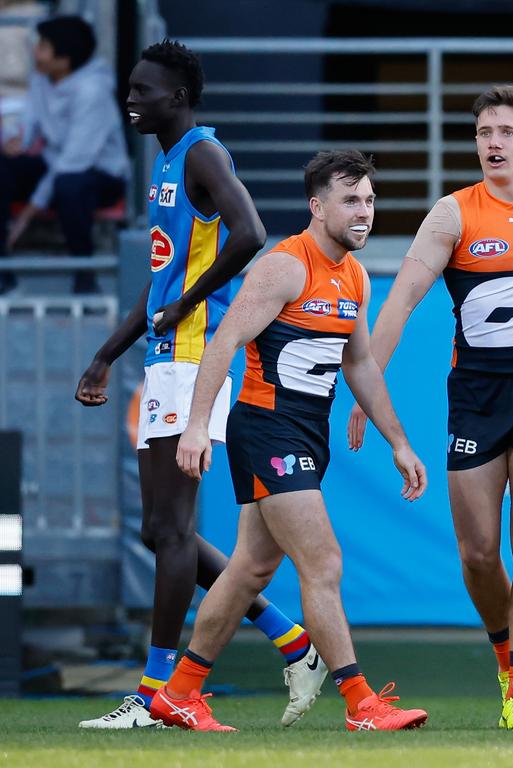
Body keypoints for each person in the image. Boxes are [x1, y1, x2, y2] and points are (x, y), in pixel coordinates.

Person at [75, 40, 326, 730]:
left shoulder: (201, 153)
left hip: (195, 358)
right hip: (167, 355)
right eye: (130, 87)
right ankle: (291, 639)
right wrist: (105, 355)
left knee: (173, 528)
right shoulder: (165, 161)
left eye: (143, 89)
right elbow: (162, 284)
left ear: (178, 96)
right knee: (163, 530)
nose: (132, 99)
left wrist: (191, 301)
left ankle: (158, 694)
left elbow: (252, 232)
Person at [160, 149, 429, 733]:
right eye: (350, 200)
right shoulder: (285, 266)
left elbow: (359, 364)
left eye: (370, 200)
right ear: (316, 206)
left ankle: (179, 693)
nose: (365, 212)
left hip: (305, 433)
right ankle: (362, 704)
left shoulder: (354, 274)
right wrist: (197, 424)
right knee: (323, 561)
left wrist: (399, 443)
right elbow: (224, 341)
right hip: (268, 428)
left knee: (251, 568)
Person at [346, 85, 513, 729]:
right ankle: (509, 662)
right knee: (479, 551)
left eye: (506, 132)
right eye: (483, 133)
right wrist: (371, 386)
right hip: (476, 398)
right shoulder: (452, 214)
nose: (493, 144)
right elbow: (398, 303)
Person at [0, 14, 128, 294]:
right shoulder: (42, 78)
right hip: (54, 165)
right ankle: (3, 272)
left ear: (64, 59)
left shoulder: (92, 92)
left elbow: (73, 162)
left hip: (98, 173)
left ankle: (85, 277)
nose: (36, 52)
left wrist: (27, 215)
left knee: (69, 187)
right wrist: (15, 142)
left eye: (43, 47)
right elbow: (30, 126)